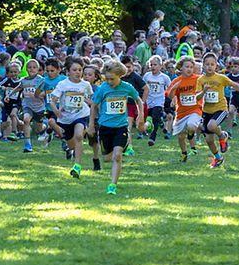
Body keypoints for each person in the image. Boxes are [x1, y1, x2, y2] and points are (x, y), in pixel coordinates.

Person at [90, 60, 143, 195]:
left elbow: (138, 100)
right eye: (106, 79)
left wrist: (140, 115)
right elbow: (93, 106)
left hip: (121, 127)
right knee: (107, 158)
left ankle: (113, 185)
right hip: (105, 127)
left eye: (112, 79)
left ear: (120, 76)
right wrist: (91, 125)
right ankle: (118, 148)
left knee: (117, 156)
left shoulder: (127, 87)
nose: (109, 81)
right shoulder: (103, 88)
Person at [50, 56, 94, 178]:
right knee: (71, 144)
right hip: (65, 118)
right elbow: (52, 101)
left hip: (81, 114)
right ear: (68, 71)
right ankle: (71, 151)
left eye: (80, 70)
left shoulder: (85, 85)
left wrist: (90, 102)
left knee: (79, 136)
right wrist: (57, 111)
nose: (78, 72)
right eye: (74, 70)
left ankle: (77, 166)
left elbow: (92, 100)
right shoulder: (63, 84)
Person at [197, 53, 239, 168]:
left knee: (212, 126)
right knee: (208, 139)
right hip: (207, 110)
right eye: (207, 64)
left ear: (216, 65)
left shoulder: (221, 78)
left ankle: (222, 135)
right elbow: (196, 97)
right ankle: (218, 158)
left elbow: (234, 85)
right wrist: (203, 91)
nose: (209, 66)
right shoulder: (201, 80)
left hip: (220, 108)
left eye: (212, 64)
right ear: (203, 65)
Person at [166, 56, 202, 162]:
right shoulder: (177, 81)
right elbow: (169, 94)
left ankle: (191, 134)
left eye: (191, 67)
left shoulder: (197, 79)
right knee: (181, 136)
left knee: (191, 126)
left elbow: (207, 82)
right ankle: (184, 153)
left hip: (195, 109)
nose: (189, 69)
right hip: (181, 112)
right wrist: (173, 90)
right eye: (187, 67)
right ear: (181, 68)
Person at [142, 55, 171, 146]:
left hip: (159, 102)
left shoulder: (164, 77)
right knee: (149, 118)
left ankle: (152, 137)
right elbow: (143, 87)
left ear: (160, 66)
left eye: (155, 64)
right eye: (151, 65)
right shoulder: (147, 76)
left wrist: (170, 99)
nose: (153, 67)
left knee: (154, 119)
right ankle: (162, 118)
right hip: (149, 101)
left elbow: (170, 88)